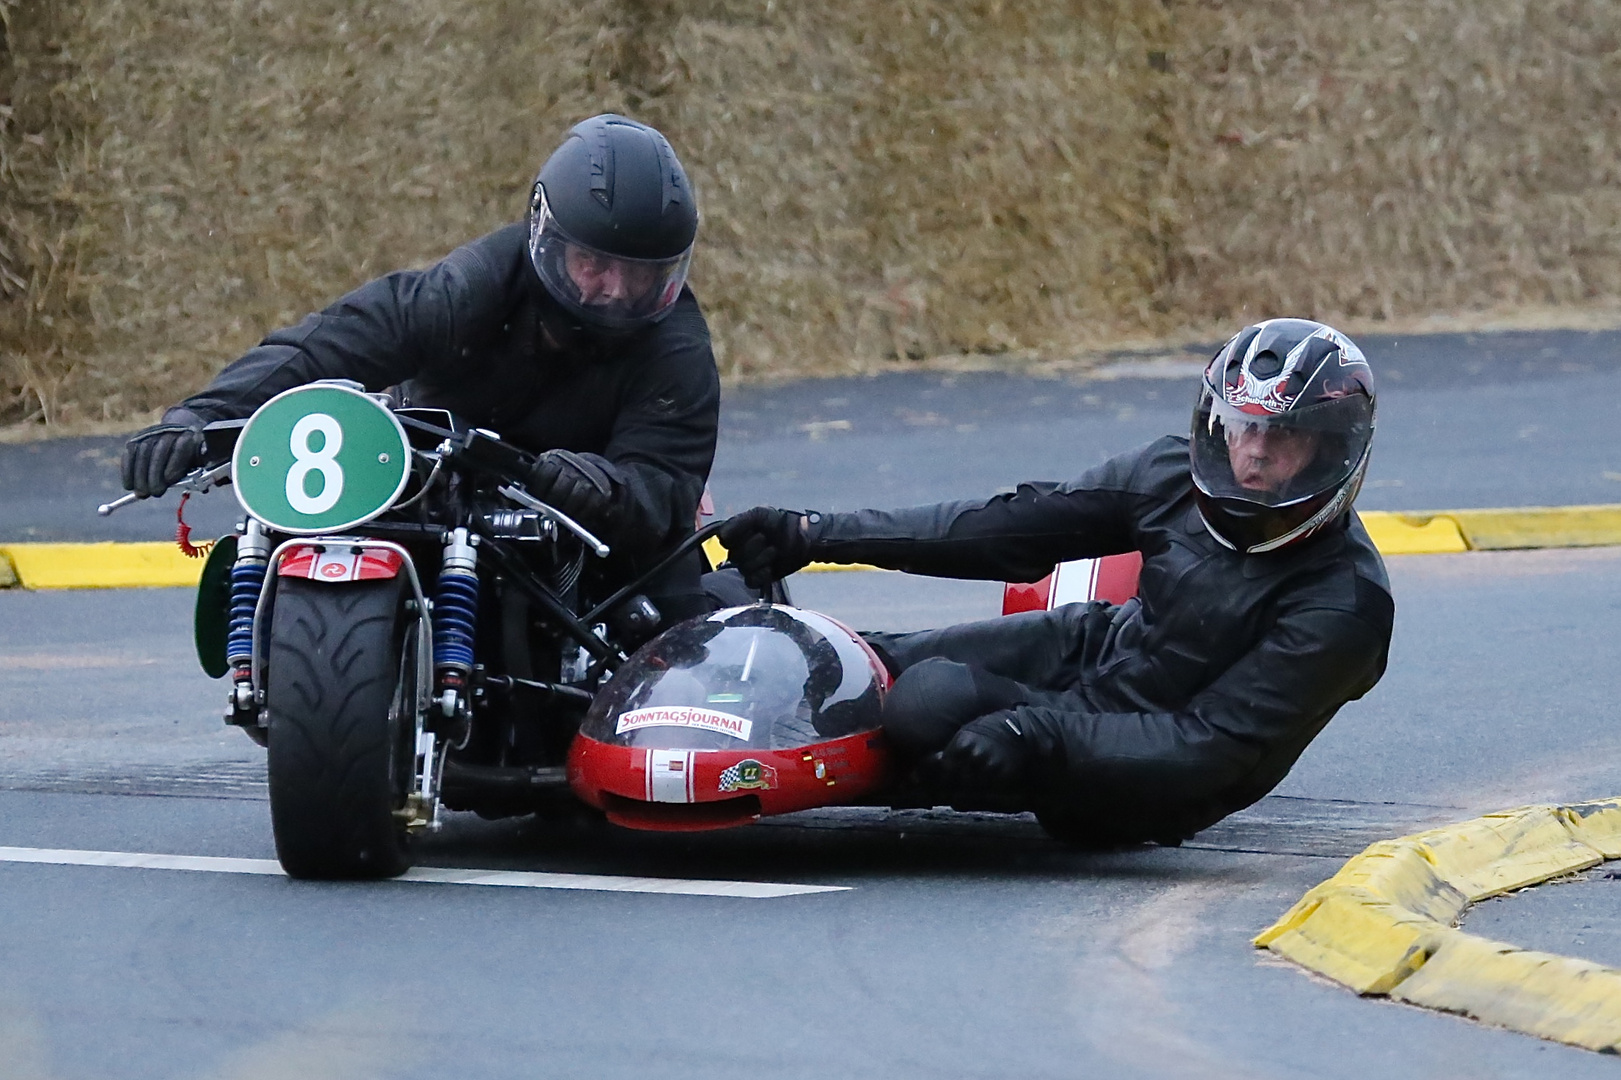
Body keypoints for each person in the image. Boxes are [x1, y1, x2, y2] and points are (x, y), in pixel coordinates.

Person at [718, 318, 1394, 847]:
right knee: (837, 661)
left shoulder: (1343, 604)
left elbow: (1206, 749)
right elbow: (1010, 529)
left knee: (927, 705)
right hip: (1092, 651)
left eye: (1283, 440)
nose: (1250, 456)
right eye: (1242, 429)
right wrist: (817, 534)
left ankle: (774, 772)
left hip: (1141, 775)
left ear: (1332, 449)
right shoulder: (1170, 475)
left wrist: (1028, 734)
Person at [118, 113, 720, 618]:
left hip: (587, 525)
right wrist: (200, 418)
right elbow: (330, 343)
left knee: (679, 614)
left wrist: (603, 484)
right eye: (595, 263)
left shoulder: (678, 348)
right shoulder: (470, 289)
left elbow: (662, 485)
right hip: (439, 484)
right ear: (548, 238)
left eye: (641, 272)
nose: (616, 289)